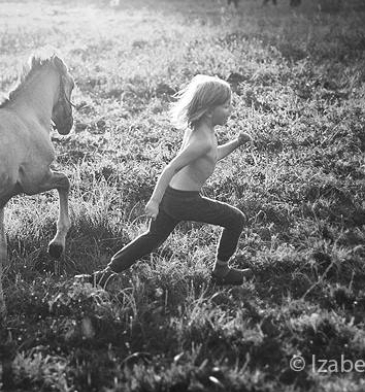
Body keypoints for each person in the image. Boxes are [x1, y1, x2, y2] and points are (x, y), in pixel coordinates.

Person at [76, 74, 253, 287]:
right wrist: (154, 201)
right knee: (236, 219)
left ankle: (104, 274)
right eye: (226, 106)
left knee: (152, 237)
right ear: (208, 111)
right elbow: (171, 168)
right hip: (184, 201)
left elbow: (214, 154)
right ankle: (221, 271)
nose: (230, 110)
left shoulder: (202, 132)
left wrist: (236, 143)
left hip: (174, 196)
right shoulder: (203, 141)